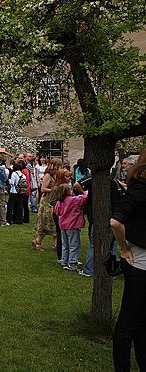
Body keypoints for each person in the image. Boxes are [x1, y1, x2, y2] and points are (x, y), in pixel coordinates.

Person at [110, 147, 146, 371]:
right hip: (139, 260)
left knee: (140, 320)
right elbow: (116, 222)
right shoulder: (141, 186)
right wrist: (123, 249)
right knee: (129, 321)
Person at [54, 182, 88, 270]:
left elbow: (57, 212)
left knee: (65, 244)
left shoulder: (59, 202)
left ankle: (64, 260)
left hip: (63, 225)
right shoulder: (74, 200)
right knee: (74, 244)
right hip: (72, 225)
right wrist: (82, 190)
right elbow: (86, 197)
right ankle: (72, 262)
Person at [31, 159, 62, 252]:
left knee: (54, 224)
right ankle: (38, 242)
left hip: (54, 201)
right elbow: (43, 189)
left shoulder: (56, 176)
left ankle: (55, 245)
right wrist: (54, 189)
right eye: (59, 166)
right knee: (45, 223)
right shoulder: (48, 175)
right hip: (46, 202)